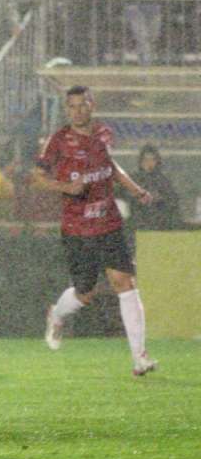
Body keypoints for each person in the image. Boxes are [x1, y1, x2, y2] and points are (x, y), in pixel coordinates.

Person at [32, 86, 158, 376]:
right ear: (67, 110)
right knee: (84, 294)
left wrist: (137, 191)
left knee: (125, 283)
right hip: (78, 230)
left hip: (109, 224)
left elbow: (110, 166)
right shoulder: (59, 141)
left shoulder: (103, 133)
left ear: (92, 105)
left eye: (82, 105)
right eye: (72, 107)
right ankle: (57, 314)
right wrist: (66, 187)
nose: (77, 111)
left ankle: (140, 357)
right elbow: (37, 178)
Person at [130, 144, 181, 231]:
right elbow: (126, 195)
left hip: (160, 219)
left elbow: (172, 199)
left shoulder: (163, 180)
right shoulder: (134, 179)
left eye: (152, 160)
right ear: (141, 162)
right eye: (146, 160)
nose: (149, 163)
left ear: (157, 161)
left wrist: (159, 199)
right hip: (139, 218)